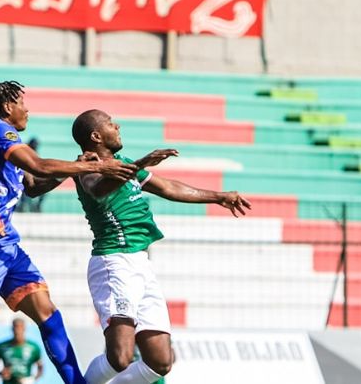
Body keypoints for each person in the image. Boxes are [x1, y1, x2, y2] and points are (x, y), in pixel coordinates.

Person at [0, 81, 137, 384]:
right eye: (23, 102)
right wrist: (98, 169)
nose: (28, 109)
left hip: (5, 245)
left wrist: (74, 166)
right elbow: (38, 165)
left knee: (49, 314)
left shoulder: (1, 143)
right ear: (8, 106)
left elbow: (34, 186)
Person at [71, 109, 251, 384]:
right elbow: (97, 189)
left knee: (160, 361)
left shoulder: (124, 163)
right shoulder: (88, 166)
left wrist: (218, 197)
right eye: (110, 123)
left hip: (141, 263)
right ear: (96, 136)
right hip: (114, 261)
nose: (117, 125)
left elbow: (168, 188)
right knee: (120, 357)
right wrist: (141, 162)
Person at [0, 318, 45, 384]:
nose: (17, 331)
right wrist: (1, 373)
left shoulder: (34, 347)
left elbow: (40, 368)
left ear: (24, 328)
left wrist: (32, 379)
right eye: (15, 327)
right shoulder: (1, 346)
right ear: (12, 329)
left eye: (20, 327)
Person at [18, 138, 45, 213]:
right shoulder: (24, 151)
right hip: (22, 177)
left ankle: (37, 205)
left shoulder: (35, 153)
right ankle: (22, 206)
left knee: (44, 187)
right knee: (25, 186)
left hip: (32, 177)